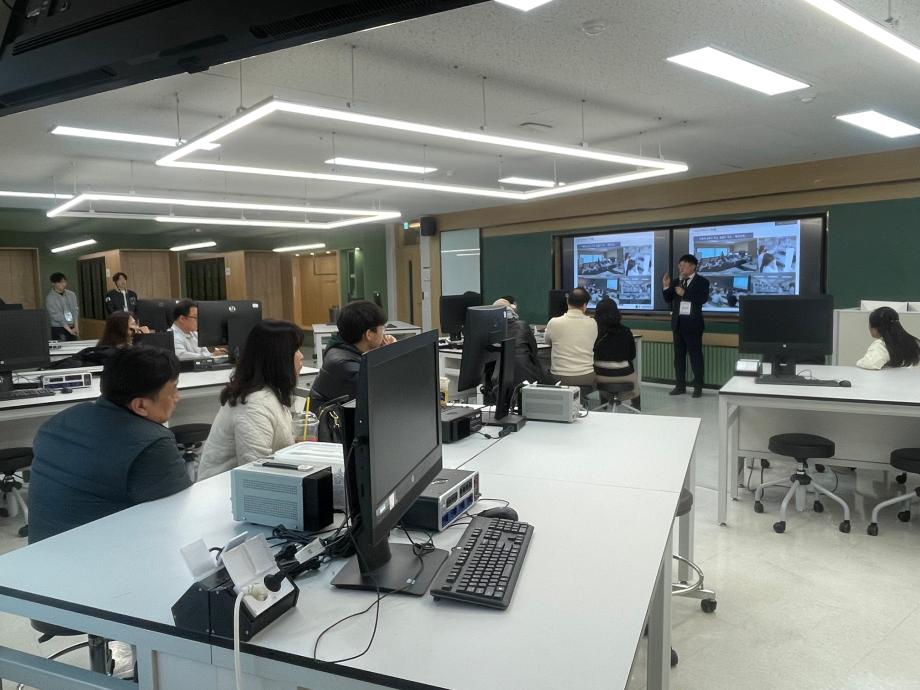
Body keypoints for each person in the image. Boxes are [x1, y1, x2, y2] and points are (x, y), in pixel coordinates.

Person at [28, 347, 190, 543]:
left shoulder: (58, 422)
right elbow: (178, 519)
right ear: (140, 405)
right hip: (101, 557)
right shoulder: (152, 446)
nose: (177, 397)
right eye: (173, 389)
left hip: (39, 552)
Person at [197, 320, 304, 480]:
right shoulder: (253, 404)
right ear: (278, 357)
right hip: (224, 489)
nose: (302, 356)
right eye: (295, 350)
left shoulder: (270, 392)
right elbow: (256, 473)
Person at [309, 300, 396, 410]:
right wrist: (391, 353)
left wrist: (383, 351)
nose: (384, 333)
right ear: (369, 334)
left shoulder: (341, 348)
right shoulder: (345, 367)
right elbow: (386, 393)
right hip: (330, 420)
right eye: (383, 328)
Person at [662, 254, 710, 398]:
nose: (680, 268)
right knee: (678, 357)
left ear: (693, 266)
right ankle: (680, 386)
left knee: (695, 356)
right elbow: (668, 299)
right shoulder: (677, 281)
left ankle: (698, 387)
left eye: (683, 265)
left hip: (693, 325)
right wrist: (666, 286)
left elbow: (702, 299)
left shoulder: (702, 281)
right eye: (679, 265)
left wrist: (685, 293)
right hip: (678, 324)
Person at [483, 298, 551, 396]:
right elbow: (534, 351)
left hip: (500, 382)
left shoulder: (492, 332)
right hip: (528, 378)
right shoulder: (522, 325)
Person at [543, 287, 597, 390]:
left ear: (567, 302)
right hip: (586, 376)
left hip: (559, 378)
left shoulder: (554, 322)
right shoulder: (593, 323)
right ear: (585, 305)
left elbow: (548, 341)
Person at [593, 298, 640, 410]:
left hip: (599, 376)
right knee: (635, 380)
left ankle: (603, 406)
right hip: (624, 375)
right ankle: (637, 408)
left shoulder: (593, 331)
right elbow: (632, 355)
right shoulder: (626, 331)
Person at [46, 272, 79, 341]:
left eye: (64, 282)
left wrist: (76, 326)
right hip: (59, 327)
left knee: (74, 345)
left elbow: (75, 310)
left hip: (72, 325)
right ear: (53, 284)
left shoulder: (71, 294)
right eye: (60, 282)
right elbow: (57, 316)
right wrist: (69, 330)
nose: (63, 284)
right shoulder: (50, 298)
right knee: (62, 346)